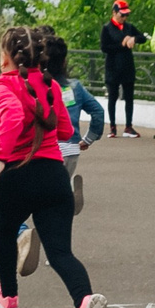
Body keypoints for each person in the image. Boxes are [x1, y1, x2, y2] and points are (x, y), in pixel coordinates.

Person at [0, 24, 110, 308]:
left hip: (15, 174)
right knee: (61, 252)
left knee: (5, 230)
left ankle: (9, 295)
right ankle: (83, 302)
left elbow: (11, 117)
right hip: (54, 175)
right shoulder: (51, 84)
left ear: (7, 57)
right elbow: (66, 129)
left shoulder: (0, 85)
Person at [45, 32, 104, 213]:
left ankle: (62, 203)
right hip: (71, 148)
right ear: (64, 62)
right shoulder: (75, 87)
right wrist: (88, 139)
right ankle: (68, 194)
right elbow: (98, 111)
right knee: (60, 183)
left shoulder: (40, 87)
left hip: (47, 148)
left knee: (46, 194)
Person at [100, 0, 145, 135]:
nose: (124, 18)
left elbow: (142, 37)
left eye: (126, 15)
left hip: (127, 66)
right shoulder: (107, 28)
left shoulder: (129, 27)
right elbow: (104, 48)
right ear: (114, 13)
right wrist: (122, 44)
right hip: (113, 67)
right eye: (122, 15)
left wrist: (134, 39)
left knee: (129, 97)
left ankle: (128, 125)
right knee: (112, 97)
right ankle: (112, 126)